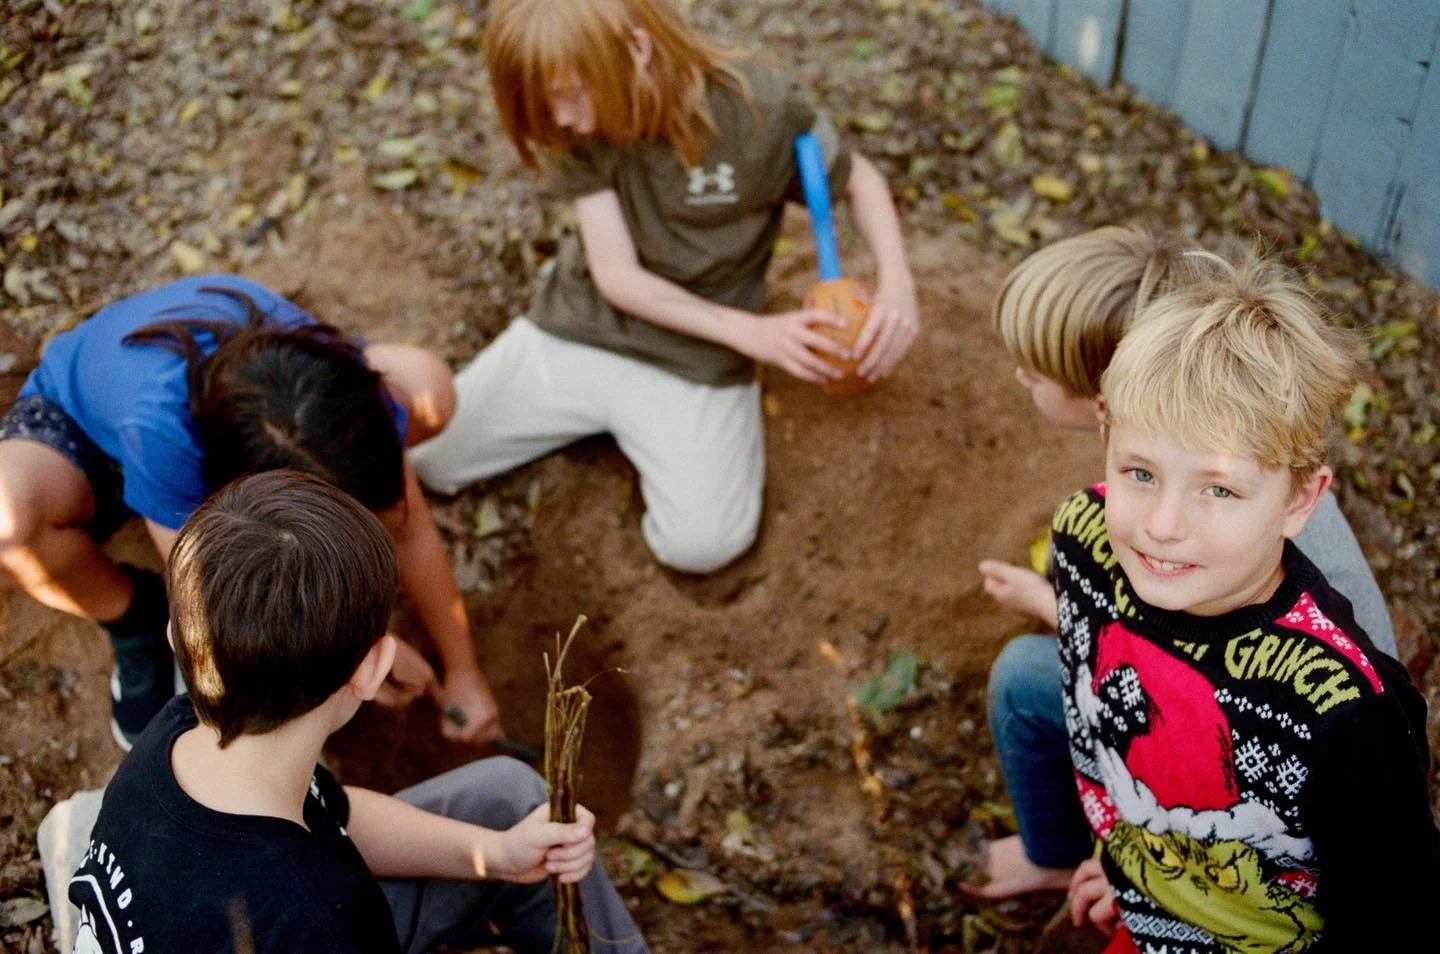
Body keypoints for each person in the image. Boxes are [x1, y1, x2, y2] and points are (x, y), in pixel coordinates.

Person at [965, 229, 1400, 901]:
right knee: (1030, 667)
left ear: (1103, 391)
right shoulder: (1134, 502)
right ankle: (1067, 851)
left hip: (1258, 729)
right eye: (1138, 473)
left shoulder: (1332, 694)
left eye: (1037, 366)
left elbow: (1208, 693)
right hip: (1190, 719)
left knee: (1023, 677)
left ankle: (1075, 857)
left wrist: (1161, 871)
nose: (1020, 374)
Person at [410, 0, 918, 574]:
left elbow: (859, 180)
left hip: (699, 358)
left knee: (702, 546)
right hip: (581, 329)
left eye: (576, 94)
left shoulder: (759, 110)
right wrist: (757, 332)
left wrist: (897, 286)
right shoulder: (567, 120)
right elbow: (617, 277)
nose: (568, 119)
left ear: (638, 49)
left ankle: (638, 438)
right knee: (427, 458)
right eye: (551, 104)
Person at [67, 470, 648, 954]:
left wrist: (495, 857)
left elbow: (334, 816)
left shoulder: (182, 730)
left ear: (177, 636)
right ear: (374, 670)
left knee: (504, 799)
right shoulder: (323, 916)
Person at [1045, 256, 1437, 951]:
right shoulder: (1083, 545)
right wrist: (1125, 862)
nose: (1163, 524)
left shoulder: (1349, 717)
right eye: (1140, 472)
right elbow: (1101, 742)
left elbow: (1388, 926)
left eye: (1218, 489)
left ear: (1300, 501)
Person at [0, 274, 500, 747]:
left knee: (429, 385)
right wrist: (363, 653)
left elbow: (409, 531)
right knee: (10, 526)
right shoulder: (164, 438)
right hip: (79, 423)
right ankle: (130, 617)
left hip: (222, 409)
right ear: (240, 490)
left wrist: (465, 671)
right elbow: (209, 598)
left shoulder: (341, 389)